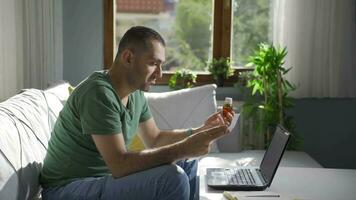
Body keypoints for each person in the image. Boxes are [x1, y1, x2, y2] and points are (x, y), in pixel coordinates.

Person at [40, 26, 233, 200]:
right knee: (172, 178)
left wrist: (201, 131)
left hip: (100, 180)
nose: (159, 74)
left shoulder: (135, 93)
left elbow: (155, 139)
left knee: (187, 165)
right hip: (66, 189)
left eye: (161, 65)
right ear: (128, 58)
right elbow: (120, 165)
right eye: (153, 64)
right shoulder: (98, 93)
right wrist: (184, 147)